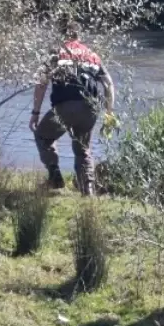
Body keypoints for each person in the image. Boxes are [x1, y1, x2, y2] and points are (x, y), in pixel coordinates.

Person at [29, 20, 116, 196]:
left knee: (43, 136)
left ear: (61, 35)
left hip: (65, 106)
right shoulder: (92, 54)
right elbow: (108, 84)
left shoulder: (56, 53)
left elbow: (41, 83)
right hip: (91, 108)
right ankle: (88, 192)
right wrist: (109, 112)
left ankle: (55, 178)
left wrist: (35, 112)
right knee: (83, 149)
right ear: (78, 35)